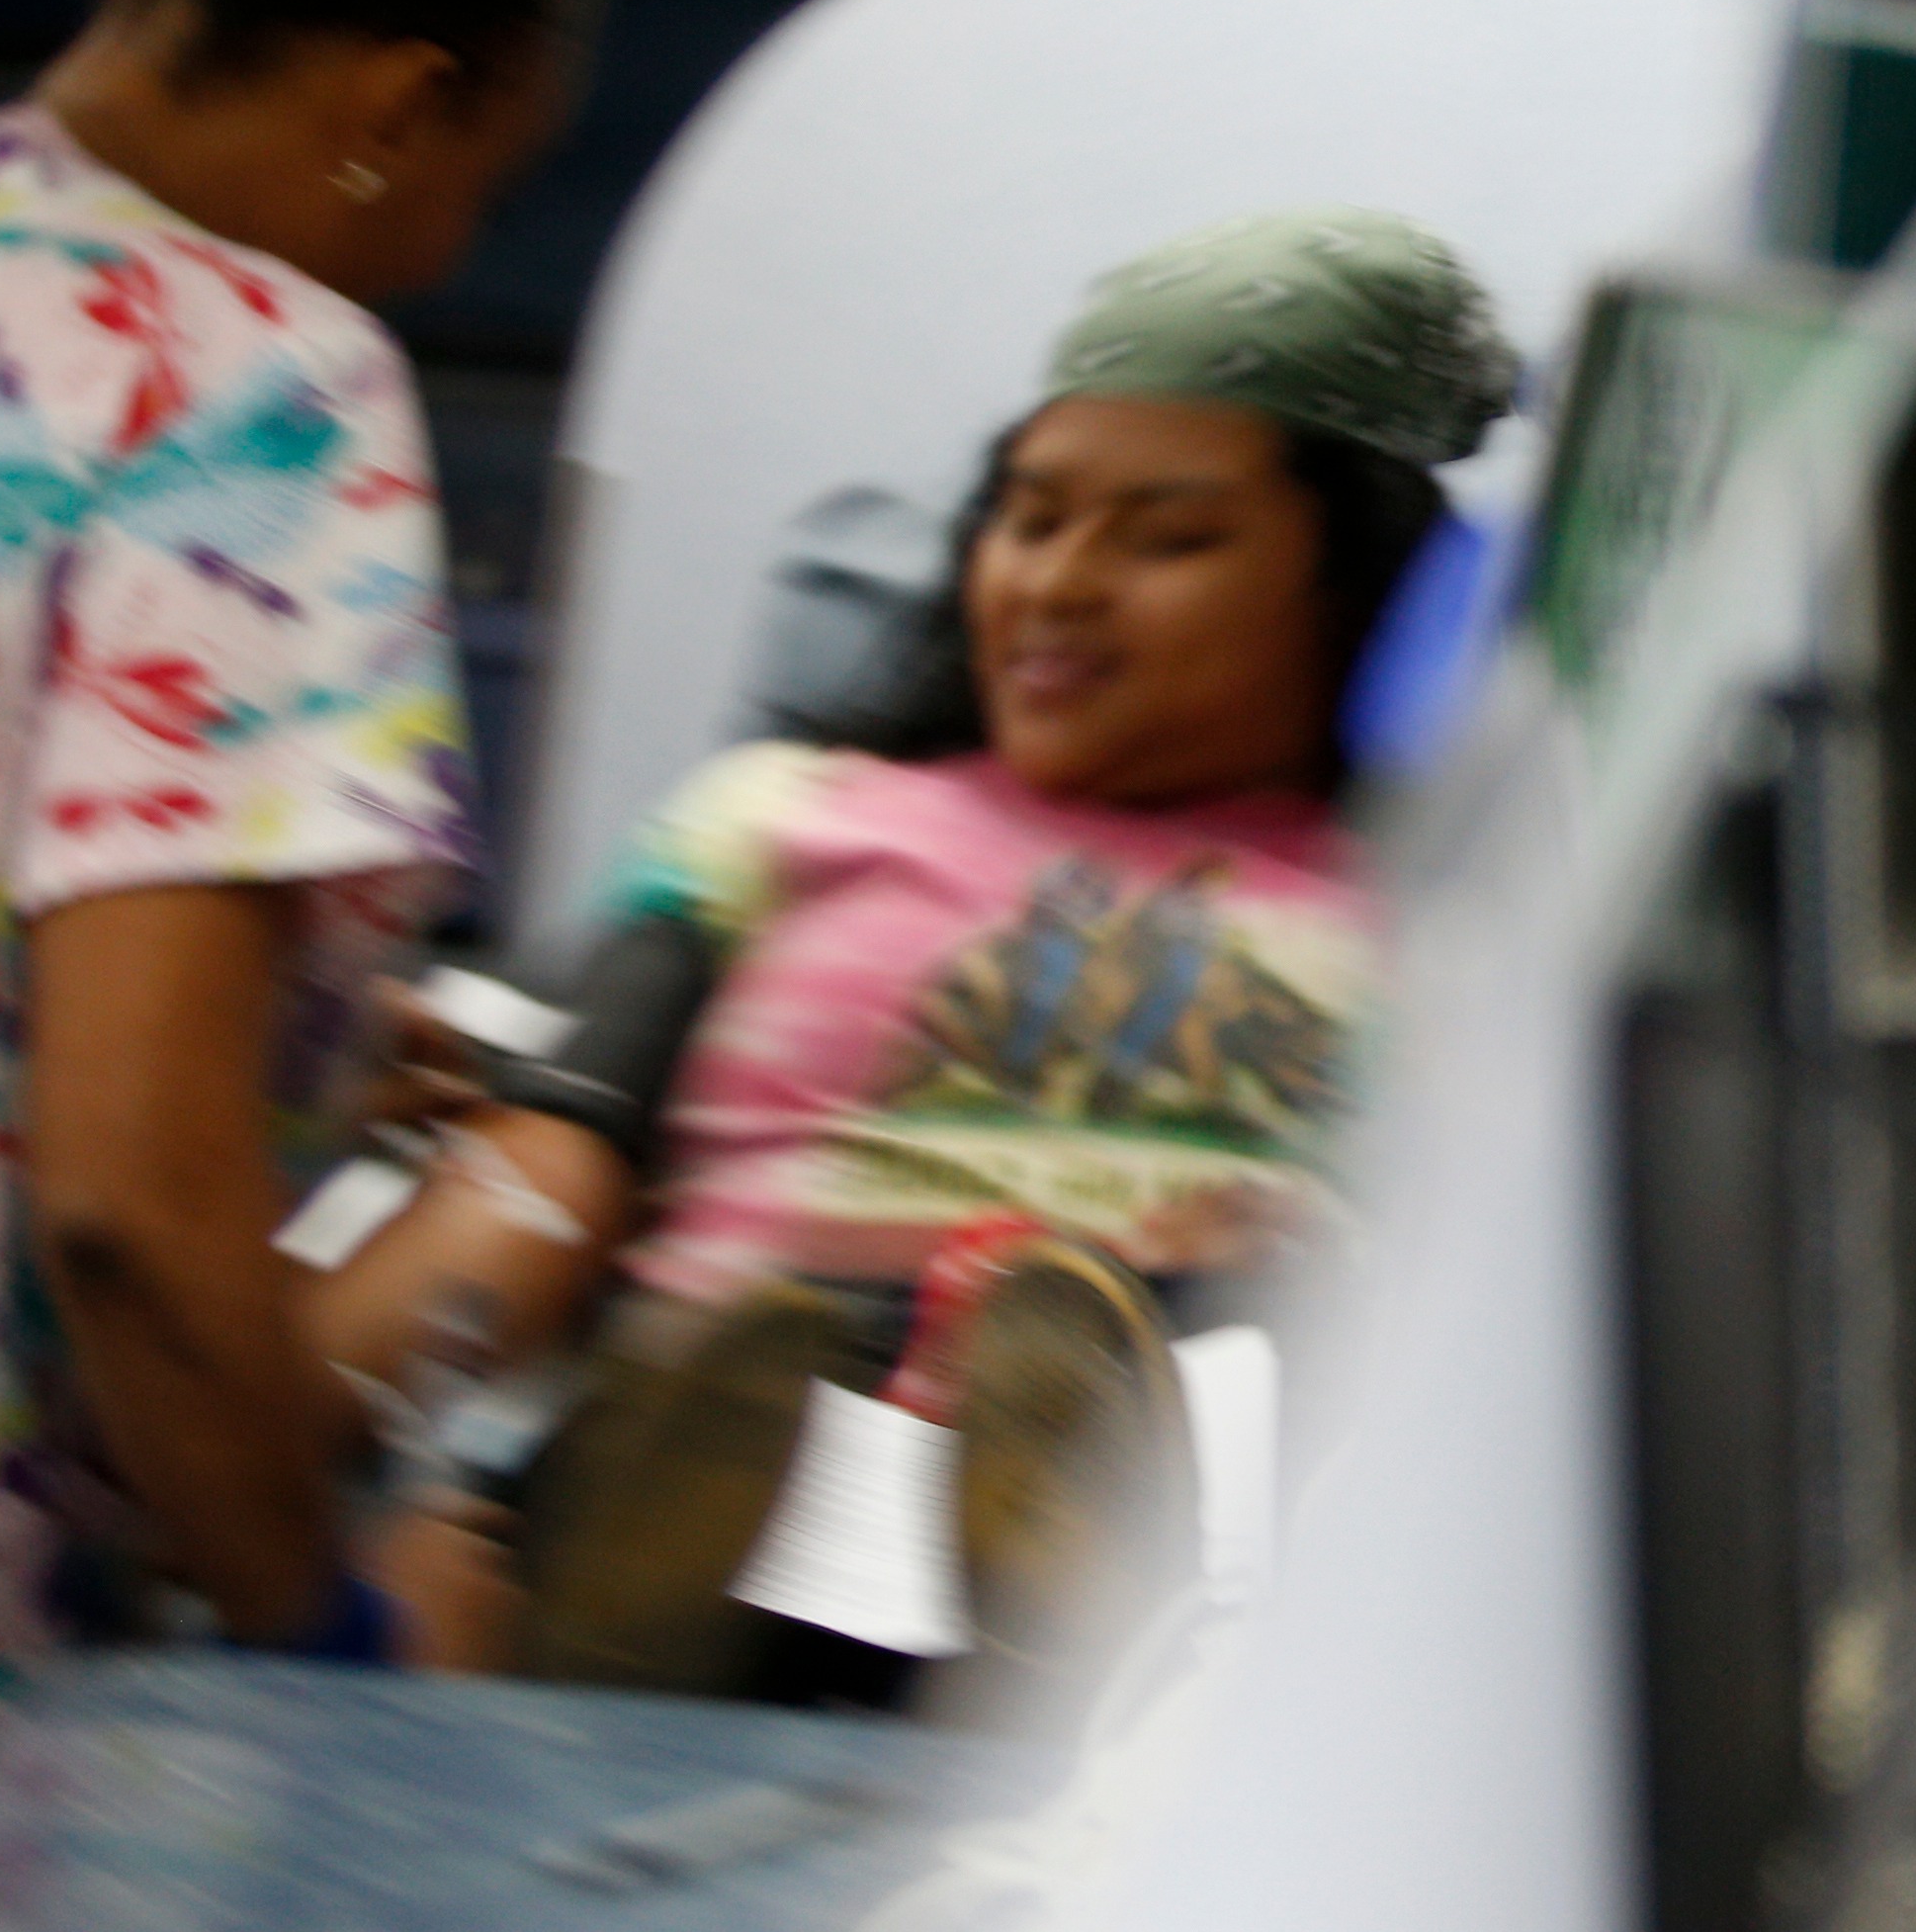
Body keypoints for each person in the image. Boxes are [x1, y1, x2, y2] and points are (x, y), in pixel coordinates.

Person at [0, 0, 594, 1921]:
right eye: (485, 181)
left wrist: (308, 1032)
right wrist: (322, 1638)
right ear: (403, 107)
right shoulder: (264, 379)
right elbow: (131, 1211)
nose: (446, 247)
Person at [313, 206, 1507, 1700]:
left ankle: (1013, 1557)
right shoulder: (787, 817)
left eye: (1170, 538)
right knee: (744, 1406)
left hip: (1179, 1424)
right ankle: (749, 1559)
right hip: (743, 1381)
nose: (1058, 584)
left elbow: (1489, 1272)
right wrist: (321, 1460)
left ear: (1358, 590)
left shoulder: (1433, 915)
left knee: (1135, 1381)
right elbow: (554, 1155)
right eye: (1030, 515)